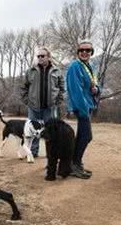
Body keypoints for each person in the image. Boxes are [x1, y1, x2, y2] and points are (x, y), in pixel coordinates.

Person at [20, 46, 64, 159]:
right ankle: (33, 152)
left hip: (50, 108)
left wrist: (58, 101)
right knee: (33, 131)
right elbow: (23, 88)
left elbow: (62, 88)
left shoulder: (57, 71)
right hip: (33, 107)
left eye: (42, 56)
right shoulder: (30, 71)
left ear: (48, 57)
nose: (40, 58)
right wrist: (27, 101)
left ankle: (51, 153)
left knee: (50, 131)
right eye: (38, 56)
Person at [66, 41, 99, 179]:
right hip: (82, 106)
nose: (84, 52)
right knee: (86, 136)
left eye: (88, 50)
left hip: (89, 105)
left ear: (92, 52)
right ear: (77, 52)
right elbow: (75, 90)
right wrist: (83, 109)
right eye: (81, 50)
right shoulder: (75, 66)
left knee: (82, 136)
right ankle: (74, 165)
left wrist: (97, 89)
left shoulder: (89, 66)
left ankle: (75, 164)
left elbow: (95, 84)